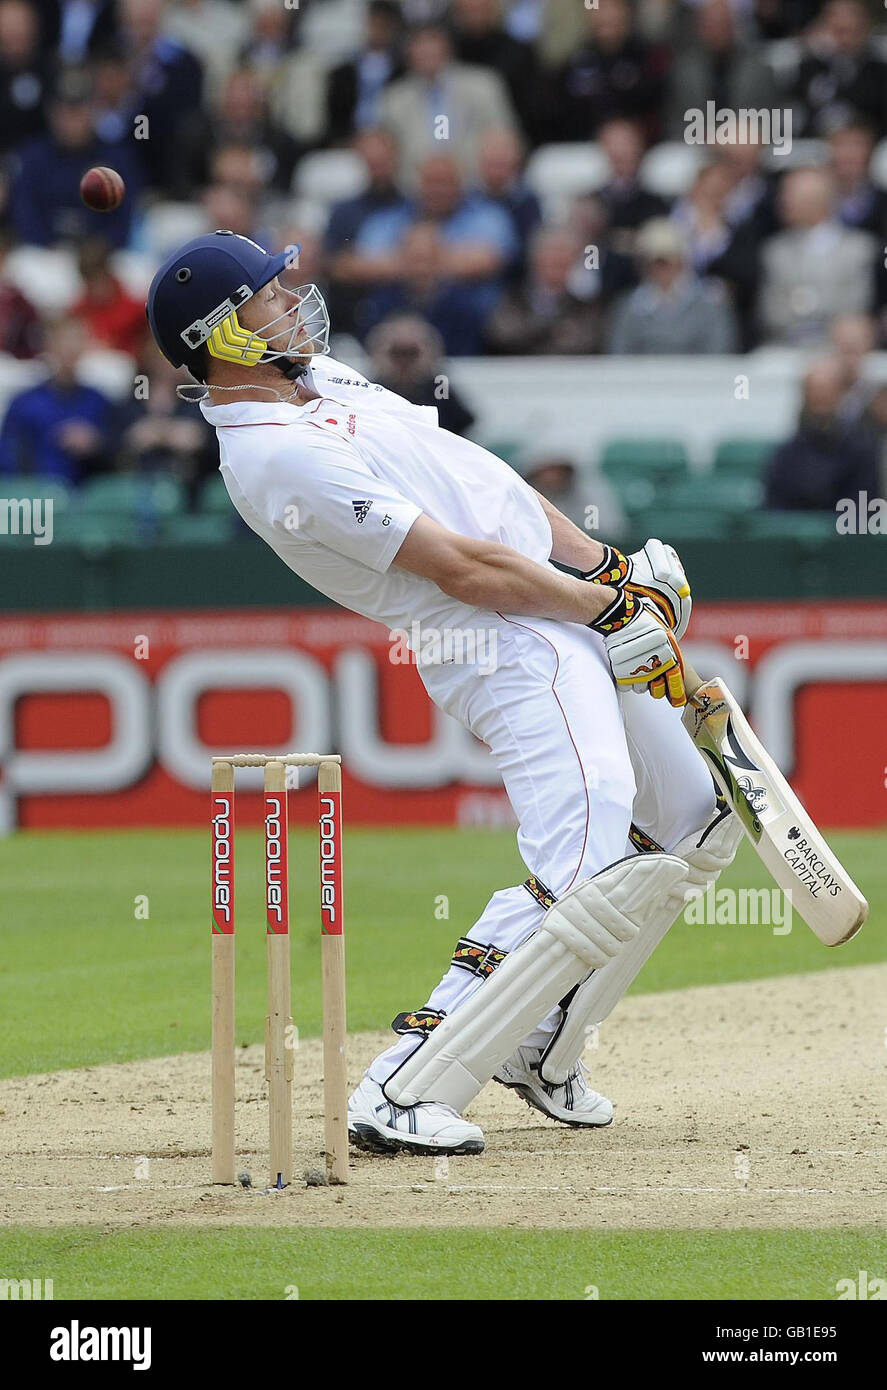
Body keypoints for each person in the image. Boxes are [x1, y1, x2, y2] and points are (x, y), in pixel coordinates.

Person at [145, 230, 742, 1155]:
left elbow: (487, 486)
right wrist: (604, 610)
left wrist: (609, 573)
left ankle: (543, 1045)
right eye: (268, 295)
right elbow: (460, 566)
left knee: (698, 814)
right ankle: (403, 1083)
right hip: (498, 639)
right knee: (584, 854)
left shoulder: (321, 378)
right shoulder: (271, 457)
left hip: (548, 601)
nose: (292, 300)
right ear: (222, 337)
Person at [8, 66, 143, 247]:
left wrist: (98, 250)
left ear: (93, 110)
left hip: (101, 257)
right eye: (64, 112)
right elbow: (24, 214)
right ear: (52, 113)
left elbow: (124, 218)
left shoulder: (115, 158)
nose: (71, 121)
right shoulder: (33, 157)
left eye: (78, 111)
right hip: (45, 255)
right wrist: (48, 245)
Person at [0, 315, 112, 481]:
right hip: (39, 496)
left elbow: (116, 458)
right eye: (63, 342)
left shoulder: (99, 402)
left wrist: (95, 444)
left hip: (87, 498)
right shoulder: (24, 404)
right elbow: (9, 458)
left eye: (76, 341)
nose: (70, 349)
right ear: (49, 346)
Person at [608, 217, 738, 354]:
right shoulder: (627, 307)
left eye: (665, 261)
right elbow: (619, 353)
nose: (659, 269)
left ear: (682, 261)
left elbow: (720, 350)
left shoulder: (711, 303)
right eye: (652, 262)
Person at [763, 358, 878, 511]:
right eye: (815, 390)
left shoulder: (861, 452)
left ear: (841, 393)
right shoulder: (786, 454)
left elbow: (862, 510)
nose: (821, 397)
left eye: (827, 390)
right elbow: (774, 506)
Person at [365, 314, 475, 437]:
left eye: (412, 353)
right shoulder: (369, 392)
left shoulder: (439, 390)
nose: (404, 361)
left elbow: (459, 424)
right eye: (397, 353)